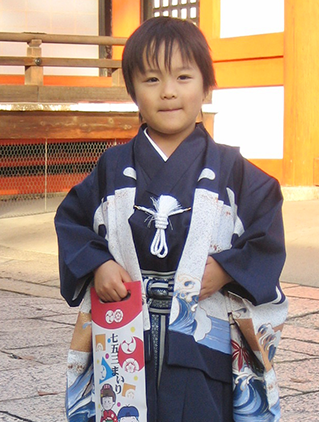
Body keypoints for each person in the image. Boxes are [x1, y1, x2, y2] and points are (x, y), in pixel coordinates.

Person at [56, 16, 287, 422]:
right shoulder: (113, 166)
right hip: (126, 335)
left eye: (183, 77)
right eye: (151, 80)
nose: (168, 92)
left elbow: (266, 231)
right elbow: (72, 220)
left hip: (202, 338)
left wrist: (227, 269)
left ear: (205, 86)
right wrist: (98, 264)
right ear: (132, 91)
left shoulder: (233, 170)